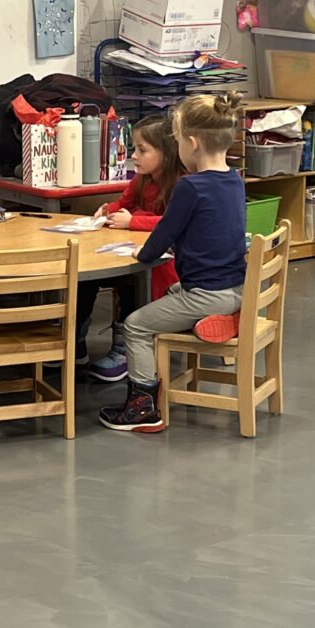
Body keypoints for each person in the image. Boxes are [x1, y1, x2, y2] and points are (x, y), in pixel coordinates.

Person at [98, 93, 247, 434]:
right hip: (235, 289)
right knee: (173, 290)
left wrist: (142, 255)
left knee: (137, 325)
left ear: (192, 143)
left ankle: (141, 409)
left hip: (206, 293)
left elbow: (164, 234)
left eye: (177, 141)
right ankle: (222, 318)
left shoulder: (189, 187)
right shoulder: (235, 180)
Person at [74, 115, 184, 380]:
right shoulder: (142, 179)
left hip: (164, 260)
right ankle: (75, 340)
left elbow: (171, 222)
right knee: (86, 275)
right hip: (128, 248)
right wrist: (107, 210)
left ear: (167, 154)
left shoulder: (182, 184)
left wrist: (133, 221)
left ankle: (125, 349)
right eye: (134, 148)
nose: (134, 156)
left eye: (142, 150)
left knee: (134, 279)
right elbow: (123, 202)